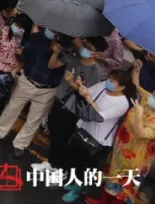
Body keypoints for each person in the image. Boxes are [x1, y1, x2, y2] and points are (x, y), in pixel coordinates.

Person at [0, 25, 66, 158]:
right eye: (52, 28)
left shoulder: (66, 48)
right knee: (12, 107)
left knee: (34, 119)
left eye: (57, 29)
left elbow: (58, 65)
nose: (54, 31)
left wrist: (57, 52)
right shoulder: (36, 37)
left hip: (48, 89)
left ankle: (20, 144)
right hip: (28, 80)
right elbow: (24, 56)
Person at [57, 68, 134, 201]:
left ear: (122, 87)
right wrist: (76, 84)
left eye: (113, 81)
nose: (108, 82)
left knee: (87, 166)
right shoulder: (102, 86)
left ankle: (78, 190)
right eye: (109, 78)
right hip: (84, 129)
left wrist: (88, 98)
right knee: (75, 160)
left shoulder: (122, 103)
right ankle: (77, 183)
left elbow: (100, 116)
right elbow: (86, 93)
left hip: (98, 139)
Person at [91, 60, 155, 204]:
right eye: (154, 93)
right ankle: (102, 201)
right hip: (121, 147)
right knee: (110, 175)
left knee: (124, 186)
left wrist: (138, 114)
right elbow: (137, 85)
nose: (153, 95)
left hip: (135, 159)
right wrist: (136, 70)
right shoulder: (147, 99)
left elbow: (141, 134)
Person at [45, 36, 109, 173]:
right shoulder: (74, 58)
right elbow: (52, 65)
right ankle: (52, 162)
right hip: (59, 100)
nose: (85, 49)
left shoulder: (95, 71)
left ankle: (57, 166)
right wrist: (56, 53)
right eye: (85, 45)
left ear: (97, 54)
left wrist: (73, 84)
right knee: (54, 131)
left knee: (62, 137)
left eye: (90, 49)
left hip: (72, 109)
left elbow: (88, 95)